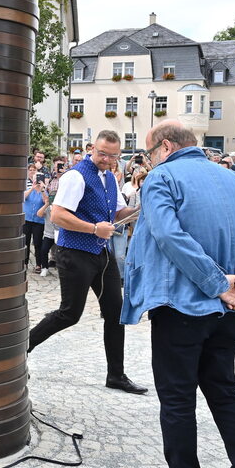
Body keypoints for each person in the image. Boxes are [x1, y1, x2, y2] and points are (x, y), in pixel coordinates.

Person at [122, 120, 235, 468]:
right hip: (229, 312)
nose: (149, 159)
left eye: (150, 152)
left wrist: (218, 284)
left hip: (182, 307)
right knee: (226, 395)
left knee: (177, 399)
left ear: (166, 147)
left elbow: (169, 237)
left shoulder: (162, 178)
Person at [27, 130, 147, 395]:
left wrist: (143, 206)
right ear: (92, 148)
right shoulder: (76, 175)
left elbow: (119, 212)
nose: (106, 159)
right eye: (102, 153)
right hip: (74, 253)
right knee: (69, 313)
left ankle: (116, 375)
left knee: (116, 313)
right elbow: (57, 215)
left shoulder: (109, 179)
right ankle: (22, 347)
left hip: (101, 255)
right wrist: (94, 229)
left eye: (112, 156)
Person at [23, 164, 48, 271]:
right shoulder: (29, 189)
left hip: (39, 221)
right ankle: (24, 262)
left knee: (38, 243)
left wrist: (42, 189)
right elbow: (23, 197)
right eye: (36, 178)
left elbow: (46, 201)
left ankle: (38, 264)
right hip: (27, 220)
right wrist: (32, 188)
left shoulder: (44, 191)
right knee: (26, 242)